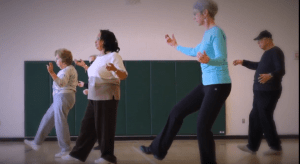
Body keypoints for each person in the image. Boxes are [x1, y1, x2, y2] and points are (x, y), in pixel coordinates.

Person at [140, 0, 231, 163]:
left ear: (205, 13)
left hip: (219, 84)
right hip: (207, 84)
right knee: (177, 111)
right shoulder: (207, 34)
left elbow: (222, 58)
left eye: (195, 14)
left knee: (203, 127)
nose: (193, 17)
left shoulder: (217, 33)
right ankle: (157, 149)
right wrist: (176, 46)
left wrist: (208, 60)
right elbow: (195, 51)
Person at [62, 29, 128, 164]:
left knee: (105, 128)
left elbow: (124, 75)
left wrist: (115, 70)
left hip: (107, 97)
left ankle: (108, 157)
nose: (95, 41)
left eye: (98, 38)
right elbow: (95, 75)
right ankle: (77, 155)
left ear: (105, 41)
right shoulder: (99, 58)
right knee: (87, 126)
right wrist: (84, 66)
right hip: (94, 97)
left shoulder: (114, 56)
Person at [233, 30, 285, 155]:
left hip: (269, 91)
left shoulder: (276, 51)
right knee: (254, 117)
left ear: (267, 39)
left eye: (260, 41)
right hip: (260, 91)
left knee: (264, 117)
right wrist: (243, 62)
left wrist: (270, 75)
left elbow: (281, 70)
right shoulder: (267, 53)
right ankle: (252, 147)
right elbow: (258, 66)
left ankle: (275, 147)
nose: (258, 44)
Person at [24, 49, 78, 158]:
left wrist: (52, 73)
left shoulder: (68, 69)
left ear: (63, 59)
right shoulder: (65, 70)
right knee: (47, 118)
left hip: (64, 97)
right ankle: (36, 142)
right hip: (60, 98)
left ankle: (66, 149)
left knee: (60, 122)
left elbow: (62, 83)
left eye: (57, 58)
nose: (56, 60)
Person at [77, 54, 102, 150]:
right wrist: (85, 85)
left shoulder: (100, 71)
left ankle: (100, 144)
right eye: (90, 62)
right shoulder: (93, 71)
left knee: (97, 123)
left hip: (100, 101)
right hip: (94, 100)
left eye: (93, 61)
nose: (91, 63)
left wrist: (88, 90)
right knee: (91, 123)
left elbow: (99, 86)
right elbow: (92, 83)